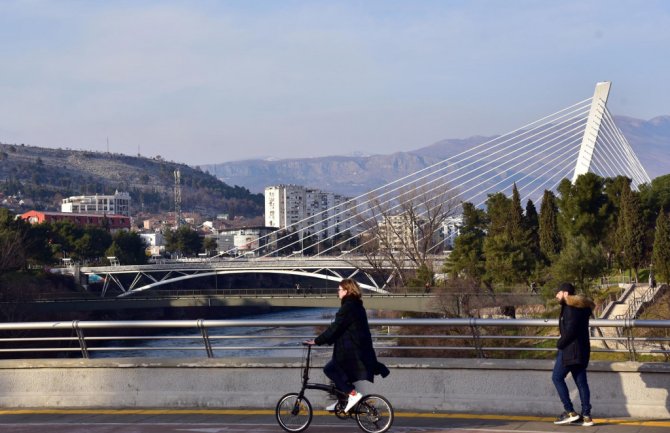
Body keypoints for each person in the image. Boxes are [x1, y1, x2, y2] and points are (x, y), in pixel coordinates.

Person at [304, 278, 390, 413]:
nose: (337, 292)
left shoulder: (348, 307)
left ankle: (353, 395)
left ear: (346, 290)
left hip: (352, 351)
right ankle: (343, 401)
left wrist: (317, 341)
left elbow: (335, 328)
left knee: (330, 369)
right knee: (342, 377)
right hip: (358, 349)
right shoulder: (356, 305)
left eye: (339, 289)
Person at [552, 282, 596, 427]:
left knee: (557, 377)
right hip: (582, 350)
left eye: (558, 293)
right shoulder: (580, 307)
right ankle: (587, 416)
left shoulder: (570, 308)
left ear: (565, 293)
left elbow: (570, 331)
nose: (556, 295)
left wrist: (559, 344)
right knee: (581, 382)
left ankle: (570, 412)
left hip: (570, 350)